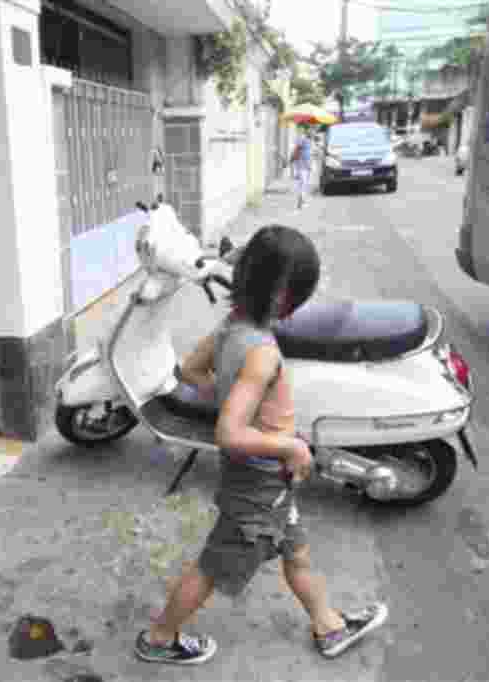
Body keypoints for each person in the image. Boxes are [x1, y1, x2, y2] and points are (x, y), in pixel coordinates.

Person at [134, 225, 387, 665]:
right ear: (286, 298)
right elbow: (228, 434)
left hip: (269, 480)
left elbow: (189, 370)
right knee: (213, 565)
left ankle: (329, 626)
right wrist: (290, 448)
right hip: (261, 484)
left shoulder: (231, 328)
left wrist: (236, 399)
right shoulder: (262, 352)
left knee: (297, 552)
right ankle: (159, 637)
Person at [291, 129, 313, 209]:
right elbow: (296, 151)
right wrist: (292, 160)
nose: (312, 132)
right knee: (303, 184)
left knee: (303, 184)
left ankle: (301, 202)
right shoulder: (303, 140)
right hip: (302, 166)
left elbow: (309, 154)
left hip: (306, 166)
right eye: (311, 131)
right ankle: (301, 202)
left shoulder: (309, 141)